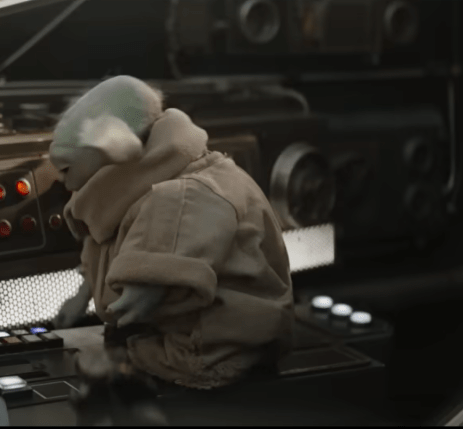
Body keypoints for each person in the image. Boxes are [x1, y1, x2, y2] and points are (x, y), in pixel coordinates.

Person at [49, 75, 294, 390]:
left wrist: (142, 290)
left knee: (137, 360)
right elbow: (105, 238)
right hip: (175, 327)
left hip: (214, 346)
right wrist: (81, 296)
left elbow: (169, 253)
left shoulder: (186, 193)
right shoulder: (135, 188)